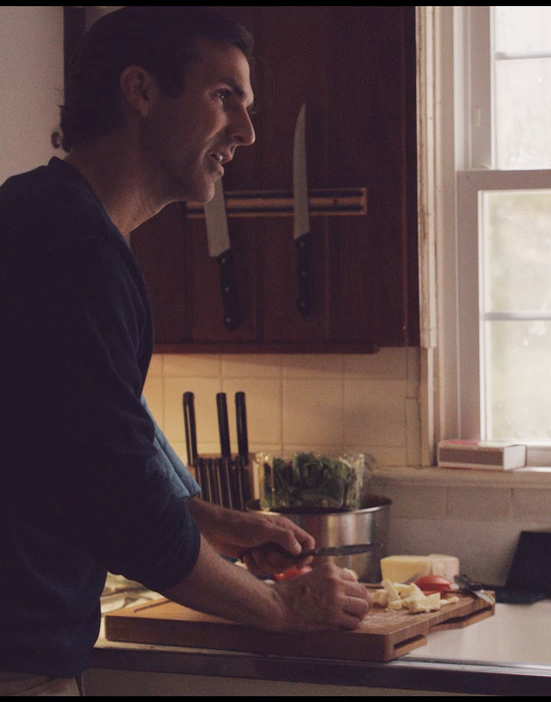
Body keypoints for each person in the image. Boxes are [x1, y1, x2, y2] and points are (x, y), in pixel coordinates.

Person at [0, 7, 370, 695]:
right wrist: (280, 608)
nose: (249, 131)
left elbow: (67, 462)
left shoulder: (42, 218)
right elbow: (119, 505)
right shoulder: (75, 252)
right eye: (224, 95)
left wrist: (213, 523)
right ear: (140, 91)